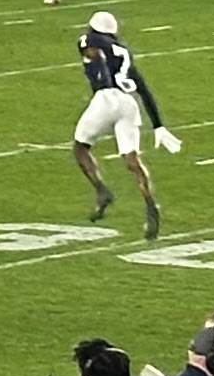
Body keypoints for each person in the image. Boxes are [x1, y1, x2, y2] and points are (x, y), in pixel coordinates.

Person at [71, 14, 174, 240]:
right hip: (128, 103)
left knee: (80, 148)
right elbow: (143, 89)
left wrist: (102, 75)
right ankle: (150, 204)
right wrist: (158, 125)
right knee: (132, 159)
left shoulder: (90, 39)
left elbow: (92, 51)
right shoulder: (124, 52)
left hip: (106, 97)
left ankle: (101, 190)